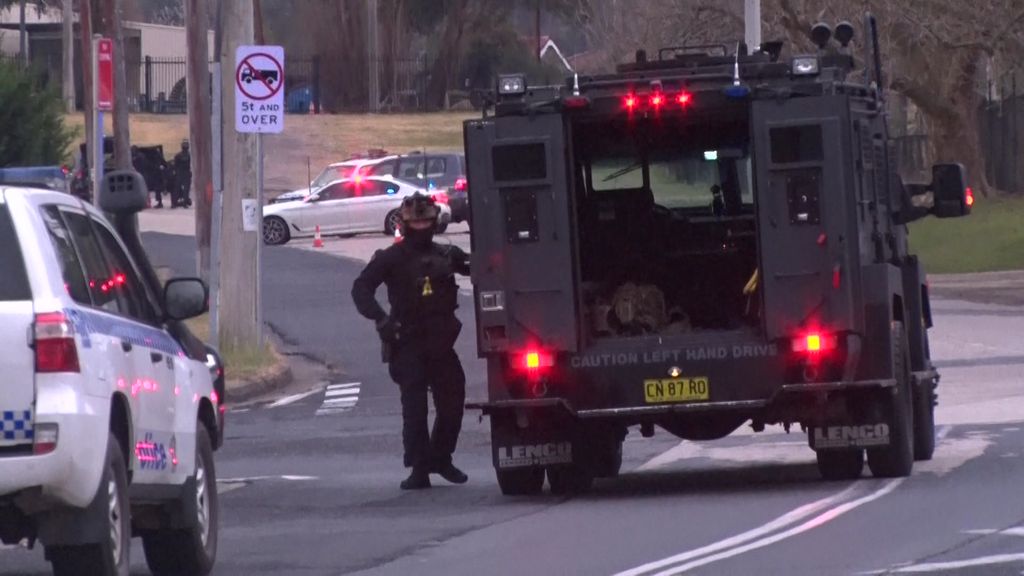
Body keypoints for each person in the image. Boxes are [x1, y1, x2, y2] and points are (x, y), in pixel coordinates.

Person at [351, 193, 471, 490]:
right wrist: (381, 319)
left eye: (426, 220)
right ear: (404, 224)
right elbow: (361, 288)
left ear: (434, 222)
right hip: (408, 343)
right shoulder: (390, 258)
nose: (420, 226)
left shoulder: (447, 254)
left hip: (442, 343)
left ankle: (441, 458)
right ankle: (419, 468)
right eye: (415, 221)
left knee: (453, 401)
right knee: (414, 408)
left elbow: (480, 267)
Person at [171, 140, 192, 208]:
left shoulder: (178, 155)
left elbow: (175, 166)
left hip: (180, 173)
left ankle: (174, 203)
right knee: (186, 189)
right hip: (185, 173)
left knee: (177, 189)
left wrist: (175, 172)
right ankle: (184, 203)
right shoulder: (189, 156)